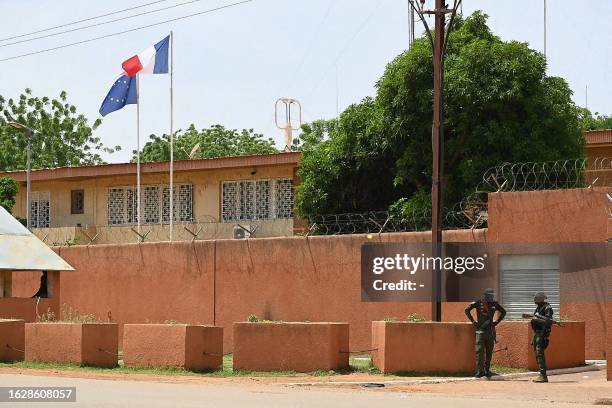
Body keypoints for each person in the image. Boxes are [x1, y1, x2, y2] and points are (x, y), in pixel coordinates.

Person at [465, 288, 506, 378]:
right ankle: (480, 371)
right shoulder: (478, 302)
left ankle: (487, 371)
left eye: (492, 295)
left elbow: (503, 312)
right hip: (480, 331)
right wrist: (473, 321)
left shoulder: (494, 304)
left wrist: (497, 322)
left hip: (490, 332)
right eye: (489, 295)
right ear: (485, 295)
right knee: (479, 352)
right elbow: (467, 310)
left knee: (489, 352)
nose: (491, 297)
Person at [528, 292, 554, 383]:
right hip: (537, 333)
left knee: (540, 354)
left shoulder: (547, 307)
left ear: (540, 299)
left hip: (542, 333)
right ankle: (541, 374)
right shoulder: (539, 307)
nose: (534, 299)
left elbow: (548, 321)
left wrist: (537, 319)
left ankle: (543, 376)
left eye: (535, 298)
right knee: (538, 354)